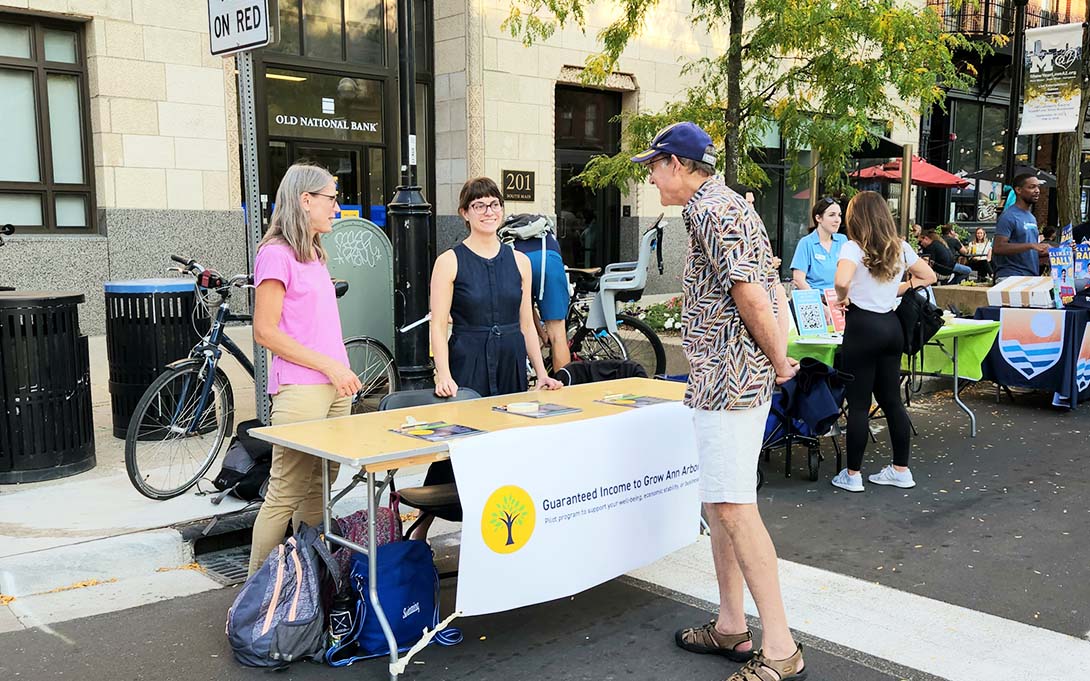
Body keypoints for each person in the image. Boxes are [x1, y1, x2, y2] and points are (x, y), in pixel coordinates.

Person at [631, 122, 806, 680]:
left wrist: (779, 360)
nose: (651, 176)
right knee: (719, 504)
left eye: (654, 166)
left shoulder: (711, 211)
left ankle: (779, 647)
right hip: (725, 380)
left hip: (732, 383)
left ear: (678, 165)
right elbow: (768, 280)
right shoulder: (724, 205)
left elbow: (752, 292)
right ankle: (732, 624)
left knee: (732, 507)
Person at [421, 177, 563, 539]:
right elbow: (438, 324)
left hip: (511, 357)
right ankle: (422, 525)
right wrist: (443, 373)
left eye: (495, 204)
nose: (489, 211)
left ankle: (502, 526)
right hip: (468, 357)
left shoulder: (520, 262)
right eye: (479, 205)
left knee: (508, 442)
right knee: (458, 445)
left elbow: (527, 324)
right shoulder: (448, 262)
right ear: (465, 213)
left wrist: (542, 372)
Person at [247, 163, 363, 576]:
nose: (337, 206)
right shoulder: (275, 254)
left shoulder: (313, 253)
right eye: (331, 198)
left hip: (334, 388)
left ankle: (308, 582)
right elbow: (265, 331)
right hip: (302, 389)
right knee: (285, 491)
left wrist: (338, 372)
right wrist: (330, 366)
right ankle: (255, 597)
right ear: (305, 200)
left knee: (320, 485)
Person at [831, 192, 937, 494]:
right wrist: (898, 289)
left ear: (857, 217)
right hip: (892, 327)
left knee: (860, 403)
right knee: (892, 400)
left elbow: (841, 280)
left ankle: (852, 474)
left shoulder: (853, 248)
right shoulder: (899, 246)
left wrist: (843, 298)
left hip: (862, 326)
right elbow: (928, 276)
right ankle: (901, 469)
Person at [502, 213, 572, 369]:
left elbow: (526, 308)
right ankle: (564, 387)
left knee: (521, 324)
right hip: (550, 261)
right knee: (558, 336)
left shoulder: (507, 237)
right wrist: (546, 334)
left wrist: (541, 333)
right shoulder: (547, 235)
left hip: (519, 261)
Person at [993, 174, 1050, 279]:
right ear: (1018, 190)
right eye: (1032, 187)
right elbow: (998, 247)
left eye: (1038, 187)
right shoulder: (1009, 216)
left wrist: (1051, 250)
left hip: (1030, 277)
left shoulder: (1031, 217)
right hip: (1010, 277)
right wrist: (1031, 245)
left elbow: (1029, 251)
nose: (1037, 190)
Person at [790, 197, 847, 291]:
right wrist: (819, 303)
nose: (838, 220)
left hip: (838, 299)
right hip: (814, 299)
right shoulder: (806, 243)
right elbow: (798, 280)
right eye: (832, 215)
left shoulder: (843, 240)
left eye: (839, 215)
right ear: (818, 218)